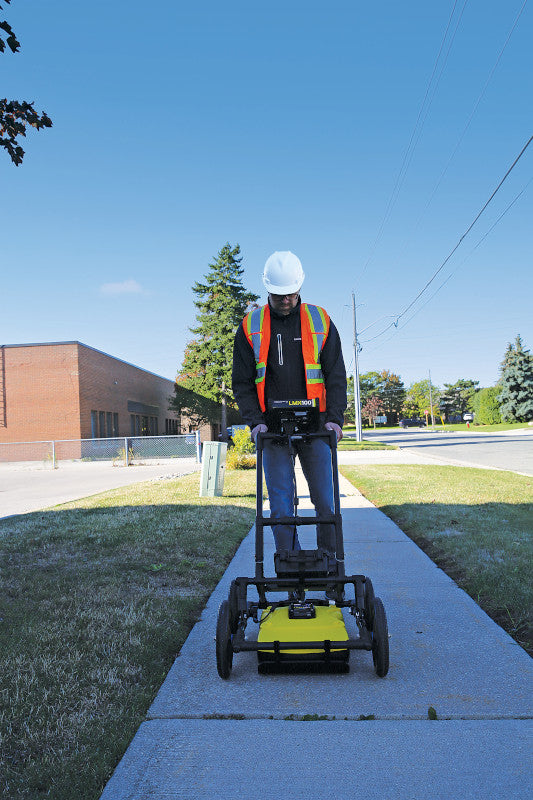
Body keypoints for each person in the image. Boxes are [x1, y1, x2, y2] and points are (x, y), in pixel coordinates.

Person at [232, 250, 347, 560]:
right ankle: (288, 564)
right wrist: (255, 422)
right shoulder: (250, 325)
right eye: (279, 294)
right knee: (281, 506)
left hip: (317, 426)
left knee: (326, 502)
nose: (285, 300)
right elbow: (241, 383)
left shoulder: (319, 319)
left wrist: (335, 419)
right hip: (271, 429)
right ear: (268, 289)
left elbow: (336, 374)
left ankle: (328, 565)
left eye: (290, 294)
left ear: (300, 286)